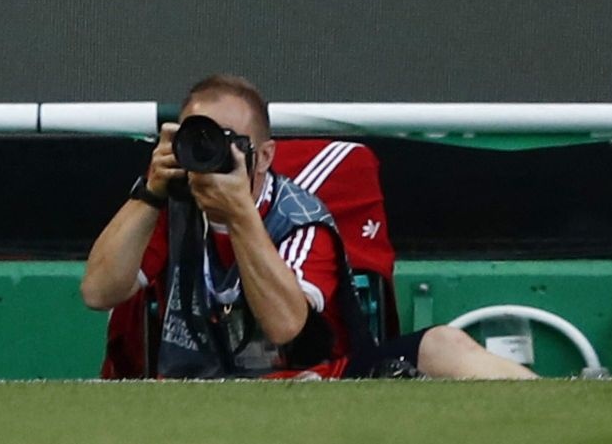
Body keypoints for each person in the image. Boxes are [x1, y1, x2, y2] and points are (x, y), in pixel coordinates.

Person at [79, 73, 529, 380]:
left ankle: (562, 405)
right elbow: (99, 293)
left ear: (267, 155)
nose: (212, 156)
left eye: (229, 142)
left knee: (444, 344)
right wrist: (150, 192)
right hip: (195, 379)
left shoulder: (300, 216)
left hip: (309, 376)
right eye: (200, 139)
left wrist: (239, 215)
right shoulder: (170, 204)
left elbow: (285, 326)